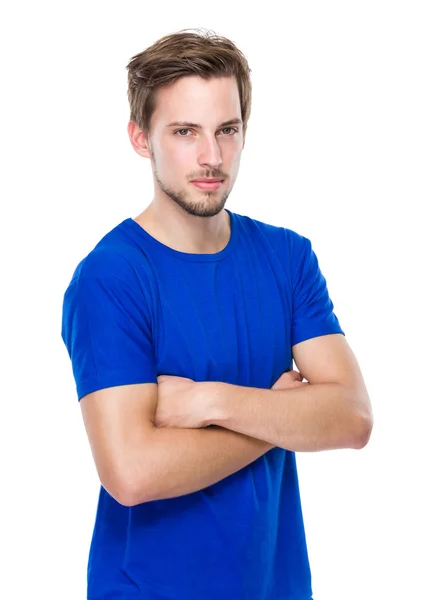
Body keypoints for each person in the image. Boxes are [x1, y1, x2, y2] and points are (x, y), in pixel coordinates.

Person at [61, 28, 373, 600]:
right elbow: (131, 473)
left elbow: (352, 418)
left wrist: (210, 402)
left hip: (277, 587)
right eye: (185, 132)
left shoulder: (286, 257)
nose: (212, 157)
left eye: (227, 130)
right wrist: (281, 417)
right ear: (140, 138)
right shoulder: (112, 277)